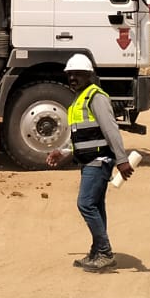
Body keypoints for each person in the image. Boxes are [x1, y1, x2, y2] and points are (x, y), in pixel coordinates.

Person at [46, 53, 133, 271]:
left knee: (85, 204)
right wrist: (63, 152)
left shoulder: (96, 97)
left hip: (99, 160)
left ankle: (104, 252)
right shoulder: (80, 100)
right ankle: (97, 251)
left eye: (78, 74)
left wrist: (122, 159)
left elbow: (110, 129)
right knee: (96, 206)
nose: (73, 78)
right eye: (70, 74)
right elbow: (83, 137)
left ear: (89, 75)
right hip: (88, 161)